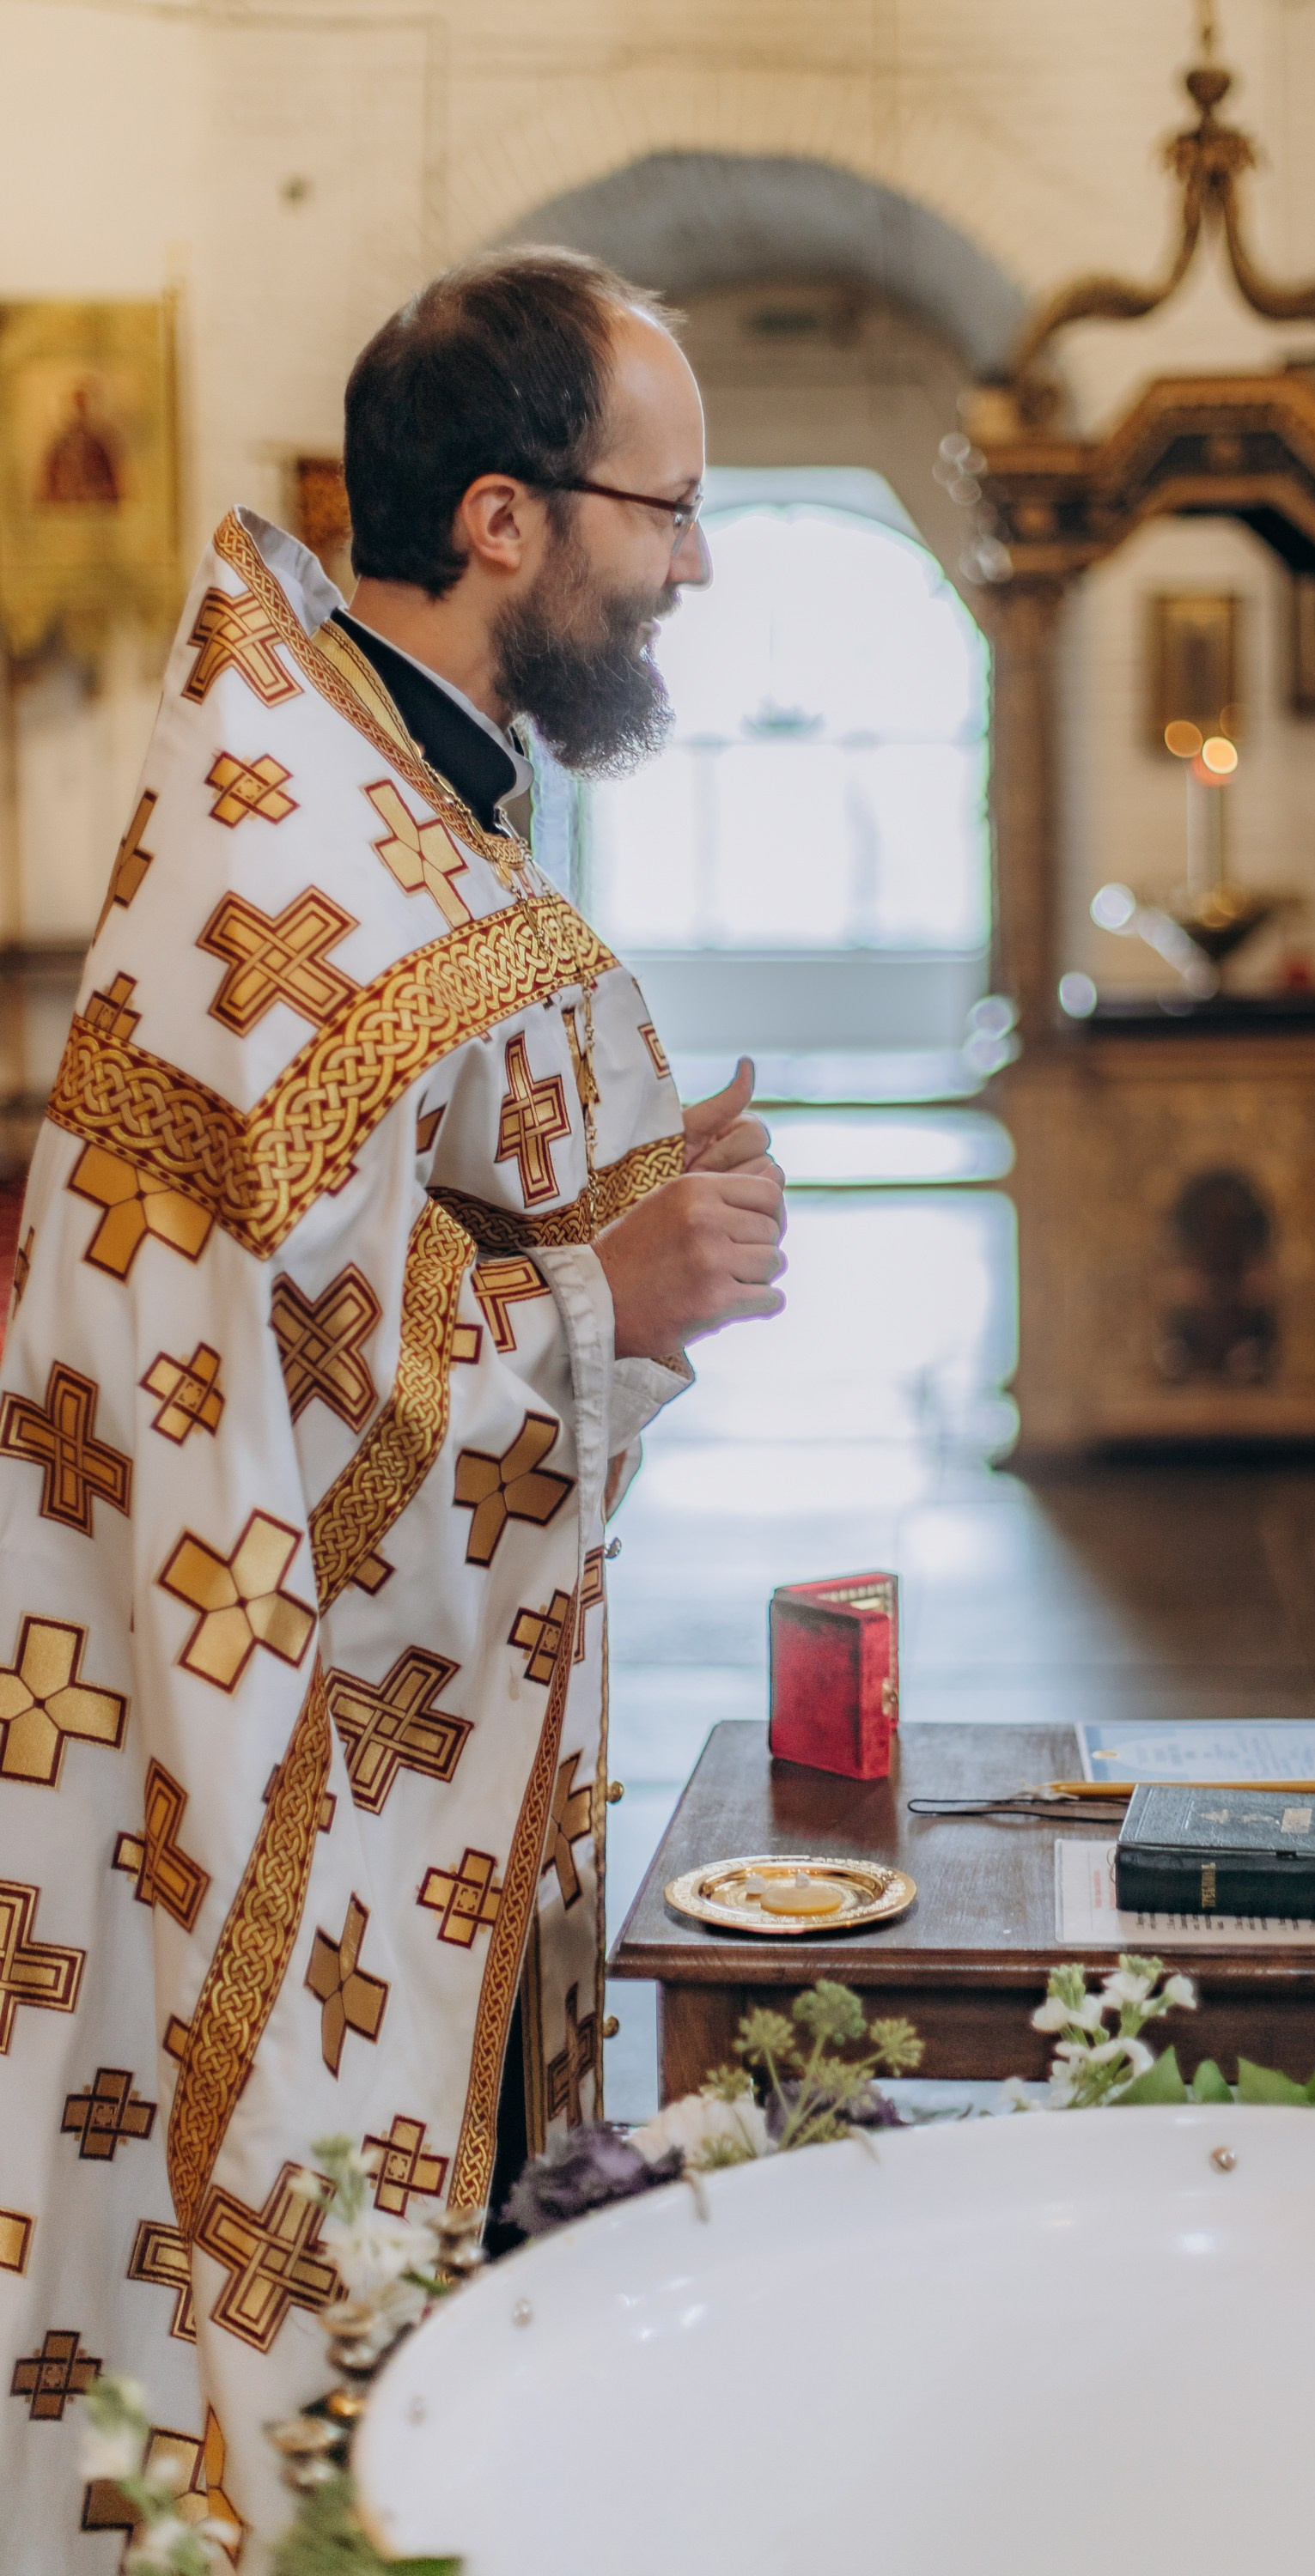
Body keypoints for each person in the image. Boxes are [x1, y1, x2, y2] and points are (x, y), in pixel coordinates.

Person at [0, 246, 785, 2563]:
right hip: (258, 1734)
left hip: (402, 1719)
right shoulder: (305, 832)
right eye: (673, 510)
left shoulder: (388, 792)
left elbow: (389, 1223)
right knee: (259, 2278)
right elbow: (262, 1362)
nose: (697, 565)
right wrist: (604, 1289)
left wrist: (632, 1220)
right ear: (511, 521)